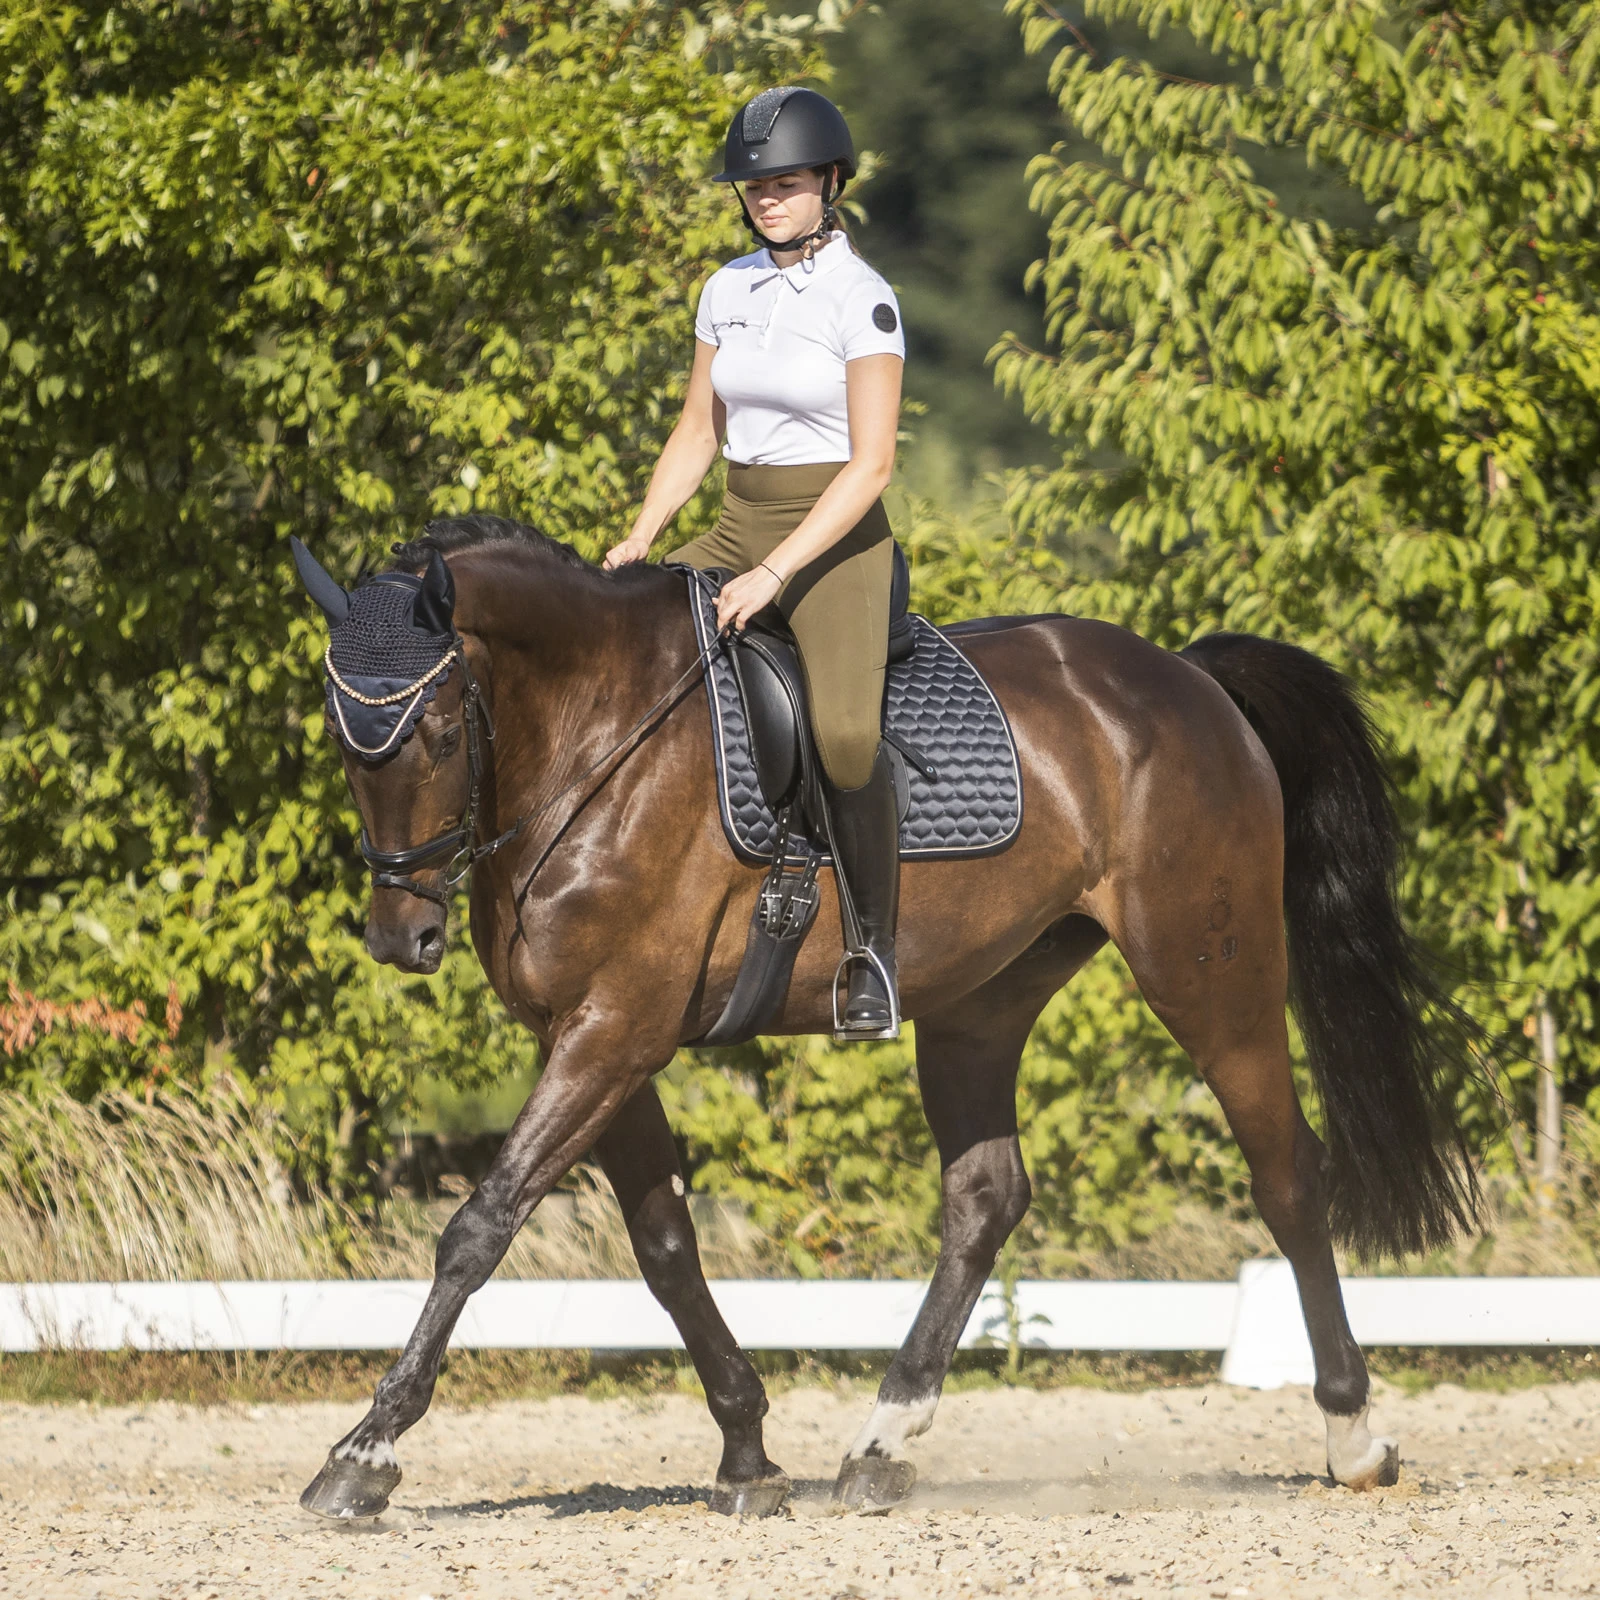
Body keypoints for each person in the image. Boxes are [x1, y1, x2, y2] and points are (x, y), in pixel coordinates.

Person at [605, 86, 905, 1041]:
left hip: (835, 537)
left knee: (849, 736)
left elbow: (873, 465)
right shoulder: (725, 288)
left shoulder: (866, 301)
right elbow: (701, 427)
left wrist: (777, 575)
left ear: (829, 182)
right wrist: (646, 535)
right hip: (738, 515)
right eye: (752, 185)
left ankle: (874, 955)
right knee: (625, 645)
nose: (765, 198)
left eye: (783, 182)